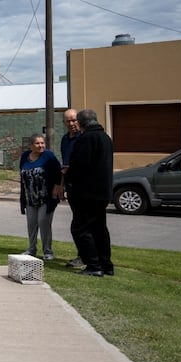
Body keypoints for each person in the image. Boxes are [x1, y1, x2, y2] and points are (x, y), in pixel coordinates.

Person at [66, 109, 115, 277]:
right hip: (102, 193)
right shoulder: (106, 138)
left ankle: (94, 265)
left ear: (80, 123)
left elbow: (80, 166)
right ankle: (106, 264)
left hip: (87, 193)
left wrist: (69, 176)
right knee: (99, 229)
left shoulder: (86, 139)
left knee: (80, 229)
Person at [18, 133, 62, 260]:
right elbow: (22, 173)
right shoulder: (25, 156)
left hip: (46, 197)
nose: (41, 145)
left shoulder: (49, 156)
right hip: (29, 196)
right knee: (31, 223)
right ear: (31, 145)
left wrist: (57, 186)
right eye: (37, 143)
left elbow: (58, 172)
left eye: (42, 143)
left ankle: (48, 251)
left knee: (43, 222)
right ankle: (31, 249)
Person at [56, 109, 83, 266]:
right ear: (64, 123)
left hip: (84, 186)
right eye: (68, 121)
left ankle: (86, 256)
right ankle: (83, 255)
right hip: (71, 186)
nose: (72, 123)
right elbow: (64, 165)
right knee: (77, 222)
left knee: (81, 225)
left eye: (74, 120)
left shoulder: (84, 138)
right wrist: (61, 186)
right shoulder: (65, 139)